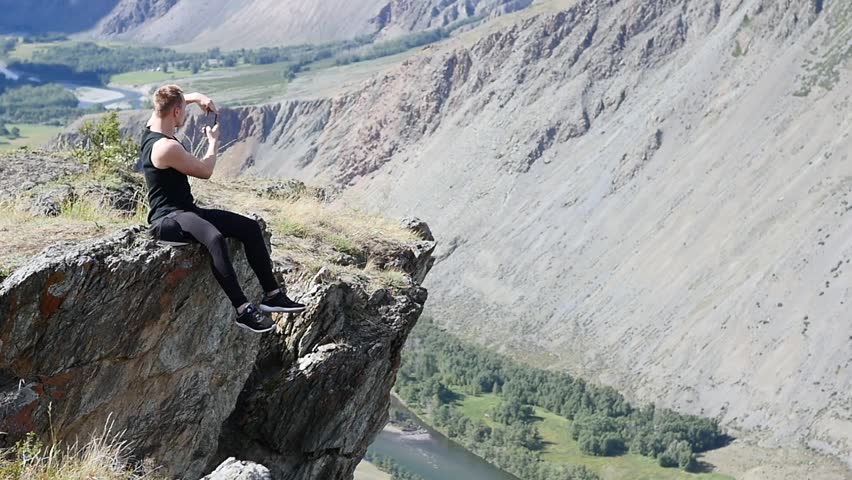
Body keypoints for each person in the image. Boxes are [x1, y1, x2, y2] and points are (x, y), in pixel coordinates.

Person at [141, 84, 305, 333]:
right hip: (168, 220)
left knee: (249, 228)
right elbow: (205, 171)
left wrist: (197, 98)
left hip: (187, 212)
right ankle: (243, 310)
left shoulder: (153, 123)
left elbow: (172, 101)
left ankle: (273, 296)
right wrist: (212, 142)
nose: (184, 115)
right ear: (176, 112)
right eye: (183, 110)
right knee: (215, 238)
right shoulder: (166, 148)